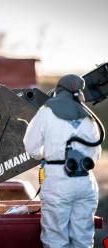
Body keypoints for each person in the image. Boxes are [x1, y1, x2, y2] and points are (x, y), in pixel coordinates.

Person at [23, 74, 101, 248]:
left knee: (56, 238)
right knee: (83, 238)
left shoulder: (46, 111)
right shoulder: (88, 116)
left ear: (58, 89)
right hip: (85, 182)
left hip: (59, 180)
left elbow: (31, 146)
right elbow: (95, 154)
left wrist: (47, 156)